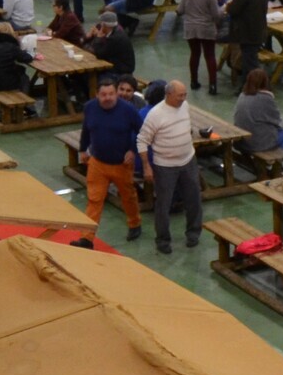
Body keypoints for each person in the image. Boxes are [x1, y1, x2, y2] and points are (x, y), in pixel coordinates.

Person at [76, 76, 145, 242]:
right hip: (97, 162)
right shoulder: (89, 108)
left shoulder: (128, 110)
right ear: (96, 95)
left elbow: (142, 131)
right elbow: (86, 129)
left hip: (121, 164)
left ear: (116, 93)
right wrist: (82, 149)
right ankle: (87, 238)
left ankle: (134, 223)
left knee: (128, 196)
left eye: (111, 94)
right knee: (94, 200)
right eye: (104, 94)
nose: (108, 98)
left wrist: (132, 150)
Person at [137, 80, 203, 254]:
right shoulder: (155, 115)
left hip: (188, 160)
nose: (183, 99)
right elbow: (142, 141)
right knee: (163, 204)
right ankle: (163, 240)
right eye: (179, 95)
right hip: (165, 166)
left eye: (185, 95)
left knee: (194, 198)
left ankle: (193, 233)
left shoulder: (185, 106)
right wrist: (147, 167)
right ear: (168, 95)